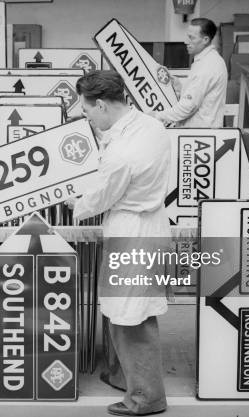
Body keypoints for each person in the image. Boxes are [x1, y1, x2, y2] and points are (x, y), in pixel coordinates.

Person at [67, 70, 171, 416]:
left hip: (132, 233)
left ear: (101, 105)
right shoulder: (150, 125)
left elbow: (99, 199)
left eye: (87, 111)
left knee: (130, 319)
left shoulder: (122, 152)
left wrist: (76, 204)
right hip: (152, 225)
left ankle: (145, 400)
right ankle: (125, 377)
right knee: (131, 312)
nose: (87, 117)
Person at [153, 18, 227, 128]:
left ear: (205, 40)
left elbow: (188, 107)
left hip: (199, 133)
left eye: (191, 38)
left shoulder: (207, 65)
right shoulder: (207, 60)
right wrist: (179, 85)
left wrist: (157, 115)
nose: (186, 42)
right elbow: (199, 94)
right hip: (199, 130)